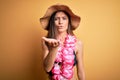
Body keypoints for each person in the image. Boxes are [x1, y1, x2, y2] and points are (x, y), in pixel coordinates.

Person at [40, 4, 85, 80]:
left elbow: (81, 71)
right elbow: (47, 69)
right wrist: (54, 49)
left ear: (68, 22)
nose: (60, 22)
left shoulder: (78, 43)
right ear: (52, 23)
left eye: (64, 18)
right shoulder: (46, 42)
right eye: (56, 19)